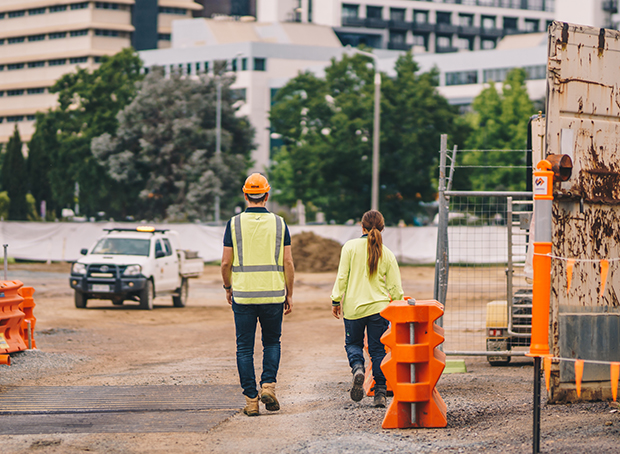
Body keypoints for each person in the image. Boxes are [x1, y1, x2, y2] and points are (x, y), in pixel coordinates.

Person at [221, 173, 295, 417]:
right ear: (267, 194)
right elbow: (288, 262)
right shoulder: (279, 223)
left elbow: (224, 263)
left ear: (245, 195)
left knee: (244, 348)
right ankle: (268, 386)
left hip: (243, 296)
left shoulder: (233, 224)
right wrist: (289, 294)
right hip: (273, 294)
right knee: (272, 342)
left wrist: (228, 287)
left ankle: (251, 401)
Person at [331, 210, 404, 407]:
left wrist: (336, 300)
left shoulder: (350, 247)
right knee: (377, 350)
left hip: (353, 308)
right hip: (379, 309)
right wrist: (396, 305)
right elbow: (395, 287)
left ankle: (357, 368)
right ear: (383, 228)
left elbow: (342, 277)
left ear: (361, 227)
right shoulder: (387, 253)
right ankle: (380, 392)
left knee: (353, 344)